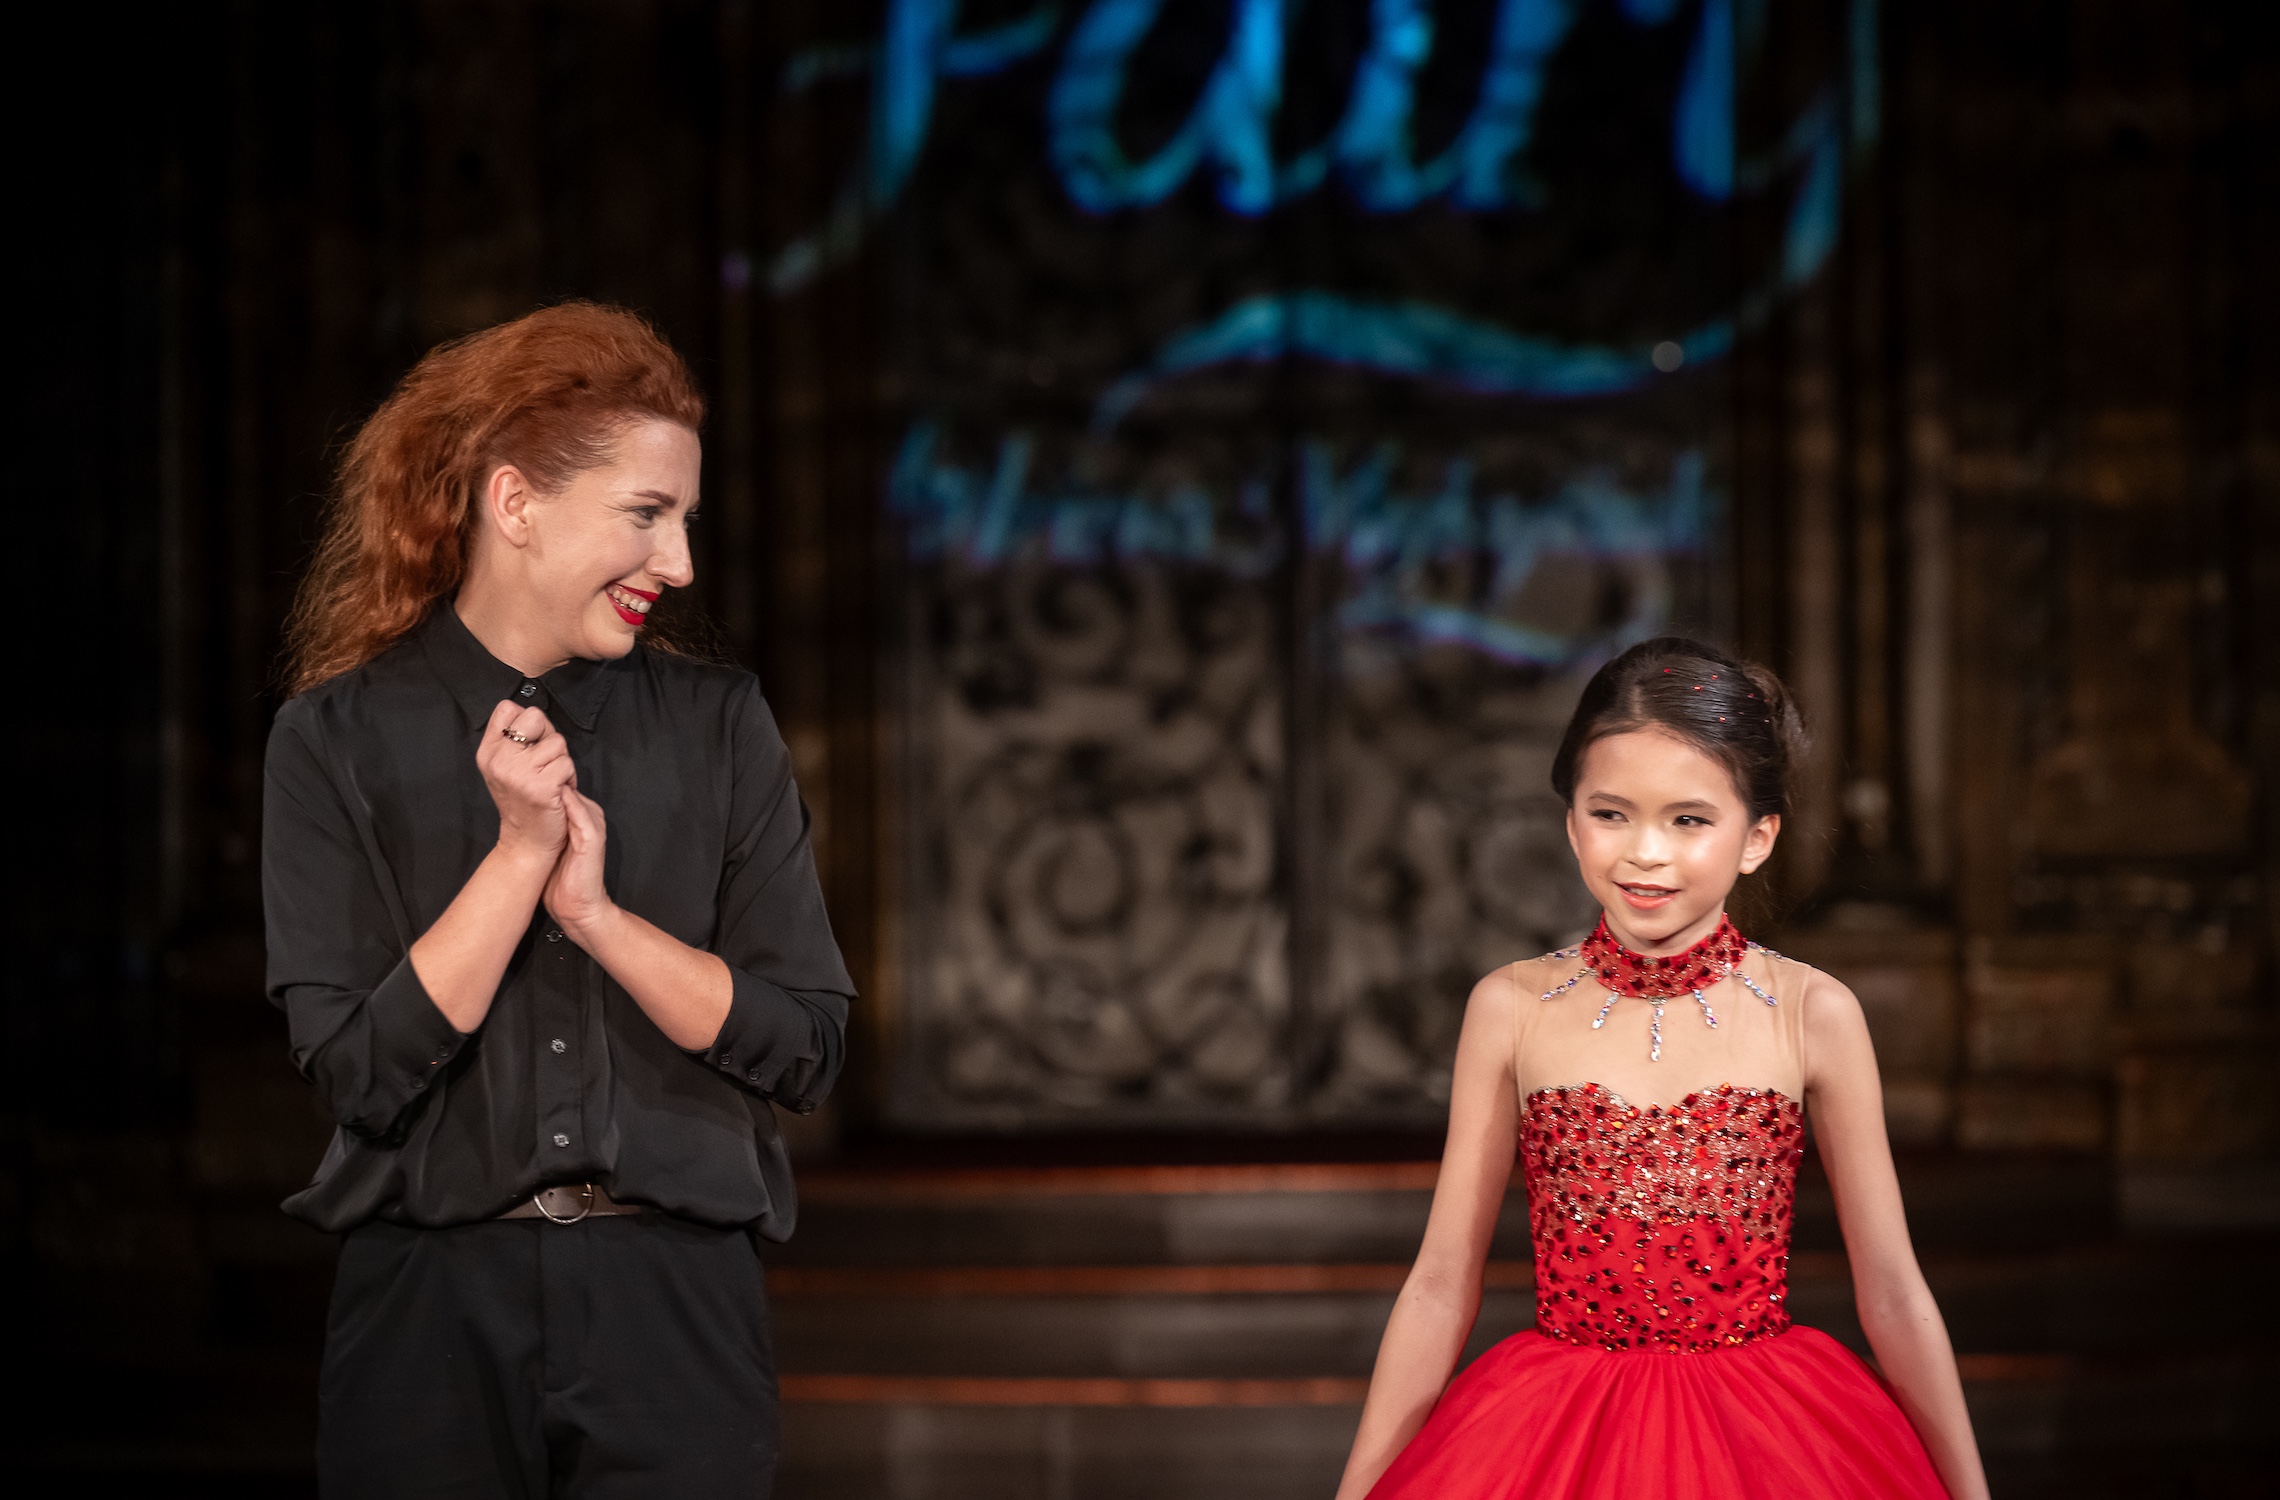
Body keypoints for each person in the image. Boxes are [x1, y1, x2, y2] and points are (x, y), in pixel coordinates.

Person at [263, 302, 853, 1498]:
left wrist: (598, 919)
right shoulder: (334, 739)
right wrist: (518, 856)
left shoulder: (719, 725)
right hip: (429, 1312)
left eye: (684, 520)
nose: (679, 564)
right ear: (516, 502)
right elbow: (358, 1073)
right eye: (646, 514)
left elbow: (806, 1045)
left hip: (674, 1305)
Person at [1334, 638, 1988, 1500]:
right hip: (1552, 1430)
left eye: (1689, 820)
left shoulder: (1812, 1012)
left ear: (1758, 837)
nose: (1646, 851)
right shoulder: (1510, 1007)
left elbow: (1895, 1292)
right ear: (1571, 823)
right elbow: (1439, 1285)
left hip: (1767, 1436)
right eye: (1611, 814)